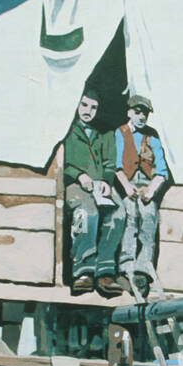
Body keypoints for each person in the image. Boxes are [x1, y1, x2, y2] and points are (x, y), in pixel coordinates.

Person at [61, 83, 125, 298]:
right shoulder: (67, 129)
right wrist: (79, 175)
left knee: (118, 212)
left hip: (99, 184)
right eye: (84, 105)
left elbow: (109, 162)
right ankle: (83, 270)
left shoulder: (104, 132)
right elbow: (63, 162)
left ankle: (105, 271)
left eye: (93, 107)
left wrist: (106, 181)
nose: (88, 111)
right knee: (88, 212)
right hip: (75, 184)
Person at [114, 93, 169, 296]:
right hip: (126, 184)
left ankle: (143, 268)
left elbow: (162, 170)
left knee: (148, 217)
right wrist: (127, 187)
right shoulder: (120, 133)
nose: (141, 117)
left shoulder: (152, 136)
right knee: (130, 216)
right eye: (137, 112)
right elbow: (116, 166)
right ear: (129, 112)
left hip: (146, 184)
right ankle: (126, 265)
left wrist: (152, 189)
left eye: (144, 113)